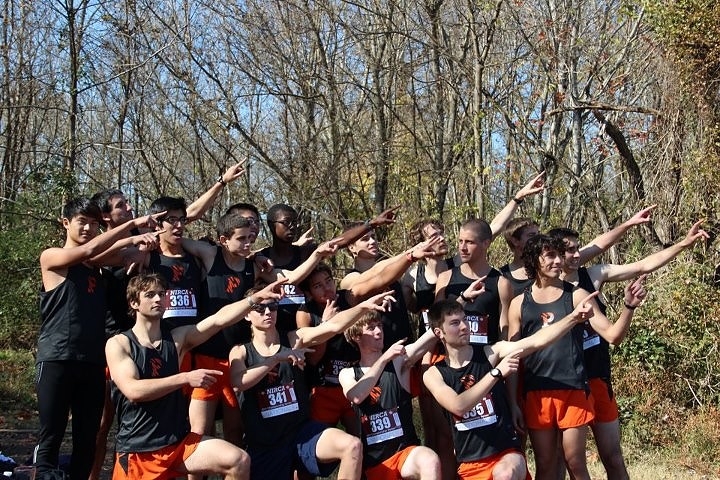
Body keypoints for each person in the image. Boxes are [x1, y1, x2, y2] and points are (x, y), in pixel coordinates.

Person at [546, 219, 708, 480]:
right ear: (553, 254)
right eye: (570, 250)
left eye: (578, 248)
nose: (576, 254)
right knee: (568, 461)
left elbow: (642, 265)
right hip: (565, 382)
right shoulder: (545, 289)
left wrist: (683, 244)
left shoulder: (592, 275)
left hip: (597, 376)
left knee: (612, 456)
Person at [179, 212, 340, 447]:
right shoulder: (210, 254)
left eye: (250, 239)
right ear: (224, 240)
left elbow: (291, 278)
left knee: (235, 430)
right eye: (241, 239)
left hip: (238, 357)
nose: (248, 244)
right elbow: (174, 235)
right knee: (200, 430)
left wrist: (317, 254)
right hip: (208, 356)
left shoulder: (253, 267)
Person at [422, 284, 611, 480]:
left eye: (464, 320)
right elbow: (458, 406)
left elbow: (537, 341)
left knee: (505, 474)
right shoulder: (434, 374)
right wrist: (496, 374)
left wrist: (573, 318)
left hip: (507, 456)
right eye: (455, 323)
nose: (464, 326)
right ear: (439, 333)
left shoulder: (490, 353)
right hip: (470, 465)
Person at [105, 274, 284, 480]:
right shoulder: (119, 343)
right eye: (150, 295)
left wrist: (254, 299)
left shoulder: (177, 339)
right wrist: (184, 378)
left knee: (239, 460)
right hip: (139, 450)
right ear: (134, 303)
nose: (158, 299)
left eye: (162, 294)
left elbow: (218, 320)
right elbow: (133, 391)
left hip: (178, 443)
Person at [35, 198, 159, 480]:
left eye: (94, 224)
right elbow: (91, 249)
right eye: (83, 222)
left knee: (87, 438)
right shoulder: (52, 257)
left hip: (92, 361)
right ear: (65, 223)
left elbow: (120, 255)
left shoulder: (96, 266)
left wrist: (146, 242)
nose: (89, 229)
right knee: (51, 436)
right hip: (57, 359)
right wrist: (132, 225)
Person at [506, 235, 645, 480]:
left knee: (575, 462)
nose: (558, 261)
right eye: (550, 255)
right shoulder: (519, 303)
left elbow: (613, 336)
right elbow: (512, 357)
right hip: (536, 393)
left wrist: (628, 307)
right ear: (534, 260)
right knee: (545, 465)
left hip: (572, 389)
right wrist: (513, 402)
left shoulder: (577, 295)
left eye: (559, 255)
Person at [229, 287, 398, 480]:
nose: (268, 312)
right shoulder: (240, 351)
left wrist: (363, 307)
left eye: (273, 306)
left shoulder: (293, 339)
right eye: (260, 308)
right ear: (247, 315)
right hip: (266, 443)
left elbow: (333, 326)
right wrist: (275, 359)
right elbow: (238, 382)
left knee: (352, 446)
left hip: (302, 434)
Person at [297, 238, 441, 436]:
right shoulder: (306, 312)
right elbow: (313, 358)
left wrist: (409, 257)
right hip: (324, 388)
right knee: (318, 440)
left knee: (362, 438)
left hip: (359, 380)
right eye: (318, 286)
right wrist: (325, 325)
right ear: (309, 293)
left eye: (328, 281)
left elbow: (378, 278)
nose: (327, 288)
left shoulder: (348, 297)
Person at [339, 312, 441, 480]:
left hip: (404, 454)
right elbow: (356, 396)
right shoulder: (348, 373)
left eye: (379, 326)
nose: (378, 331)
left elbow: (428, 337)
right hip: (375, 463)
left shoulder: (397, 361)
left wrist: (454, 307)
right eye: (371, 328)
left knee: (429, 460)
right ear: (356, 336)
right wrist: (383, 359)